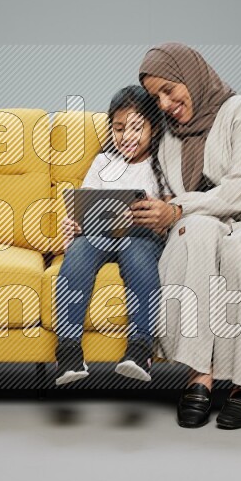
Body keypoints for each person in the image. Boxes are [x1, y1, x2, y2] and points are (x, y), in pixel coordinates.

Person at [130, 43, 241, 429]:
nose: (164, 103)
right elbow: (177, 201)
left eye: (169, 90)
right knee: (194, 232)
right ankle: (200, 373)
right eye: (155, 97)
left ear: (191, 75)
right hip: (211, 220)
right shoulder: (170, 139)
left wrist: (176, 208)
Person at [53, 85, 171, 386]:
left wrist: (158, 217)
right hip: (99, 234)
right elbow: (85, 204)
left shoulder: (162, 163)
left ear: (154, 127)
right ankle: (68, 351)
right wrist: (74, 225)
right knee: (78, 252)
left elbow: (170, 210)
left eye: (136, 128)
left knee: (138, 254)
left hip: (142, 237)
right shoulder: (104, 162)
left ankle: (139, 349)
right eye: (119, 129)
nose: (127, 136)